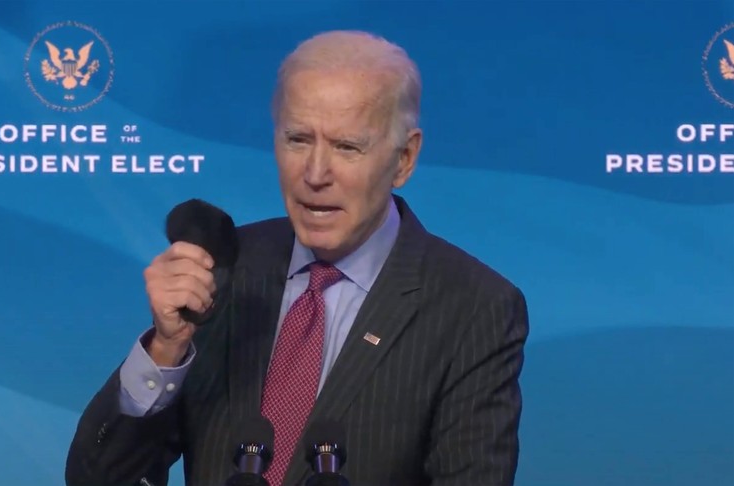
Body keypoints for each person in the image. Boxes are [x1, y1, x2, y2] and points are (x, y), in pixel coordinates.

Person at [65, 30, 529, 486]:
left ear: (404, 159)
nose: (315, 173)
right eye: (298, 140)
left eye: (347, 146)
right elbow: (96, 480)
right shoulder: (222, 269)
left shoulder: (474, 307)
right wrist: (166, 350)